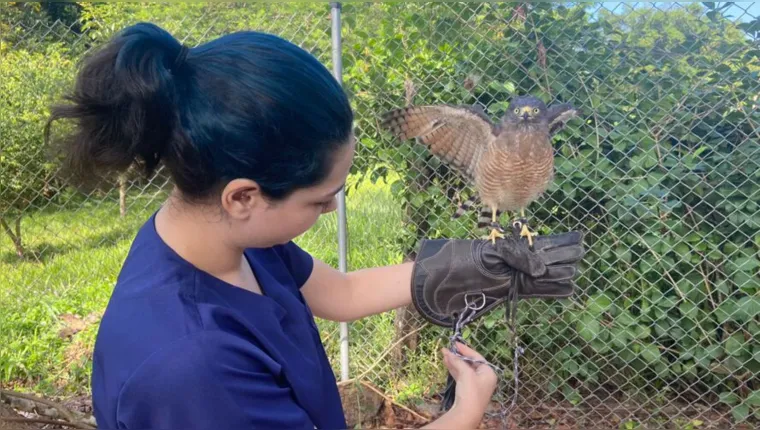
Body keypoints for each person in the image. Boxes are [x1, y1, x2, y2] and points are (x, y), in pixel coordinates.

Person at [45, 22, 585, 429]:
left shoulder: (224, 240)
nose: (330, 212)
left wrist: (471, 267)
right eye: (323, 199)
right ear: (244, 196)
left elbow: (343, 293)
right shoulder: (194, 373)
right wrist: (464, 414)